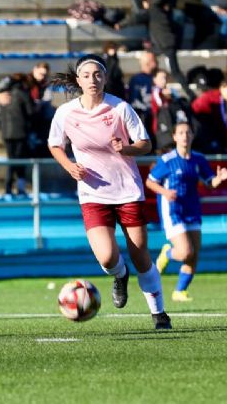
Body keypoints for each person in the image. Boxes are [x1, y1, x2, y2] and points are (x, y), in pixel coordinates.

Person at [48, 53, 172, 330]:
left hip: (127, 190)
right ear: (78, 80)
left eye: (98, 74)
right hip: (92, 193)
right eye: (87, 75)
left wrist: (125, 148)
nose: (93, 80)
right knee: (106, 256)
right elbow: (55, 145)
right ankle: (120, 275)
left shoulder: (120, 108)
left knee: (142, 257)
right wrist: (69, 165)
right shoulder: (65, 112)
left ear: (105, 78)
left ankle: (159, 313)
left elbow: (145, 144)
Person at [146, 122, 227, 301]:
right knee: (184, 251)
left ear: (192, 136)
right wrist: (165, 192)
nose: (185, 136)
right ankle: (167, 253)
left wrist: (219, 179)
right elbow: (150, 182)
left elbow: (209, 182)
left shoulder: (198, 159)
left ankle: (179, 291)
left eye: (188, 132)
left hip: (192, 209)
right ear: (174, 137)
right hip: (173, 210)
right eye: (181, 133)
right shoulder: (167, 161)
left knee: (194, 254)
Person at [0, 73, 34, 195]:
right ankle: (19, 187)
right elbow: (30, 112)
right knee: (19, 160)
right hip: (20, 132)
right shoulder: (23, 94)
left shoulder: (4, 96)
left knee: (11, 159)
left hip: (6, 132)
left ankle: (8, 187)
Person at [127, 50, 159, 141]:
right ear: (147, 63)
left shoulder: (158, 77)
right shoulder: (137, 79)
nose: (156, 62)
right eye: (154, 60)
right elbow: (134, 101)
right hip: (144, 116)